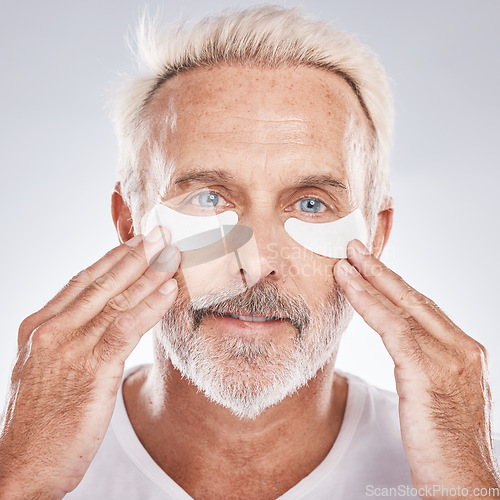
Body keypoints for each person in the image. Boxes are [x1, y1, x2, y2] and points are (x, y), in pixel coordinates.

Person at [1, 5, 499, 499]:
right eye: (208, 198)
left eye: (311, 204)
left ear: (375, 236)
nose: (255, 264)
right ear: (130, 223)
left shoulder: (457, 475)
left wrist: (470, 485)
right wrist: (19, 481)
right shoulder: (24, 461)